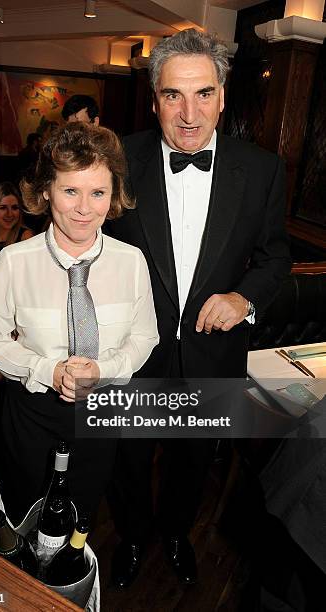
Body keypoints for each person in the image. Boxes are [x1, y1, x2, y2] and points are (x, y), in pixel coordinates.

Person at [105, 28, 292, 588]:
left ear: (223, 95)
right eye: (173, 96)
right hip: (132, 354)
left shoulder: (261, 170)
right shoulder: (118, 161)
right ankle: (134, 536)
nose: (189, 114)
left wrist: (244, 298)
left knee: (191, 462)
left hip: (213, 355)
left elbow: (275, 256)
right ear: (154, 96)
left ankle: (176, 535)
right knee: (129, 461)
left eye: (203, 94)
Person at [0, 123, 158, 523]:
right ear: (45, 191)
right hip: (30, 416)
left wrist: (104, 370)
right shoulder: (13, 262)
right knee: (26, 515)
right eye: (70, 190)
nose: (84, 208)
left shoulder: (132, 262)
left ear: (113, 198)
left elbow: (145, 337)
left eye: (98, 193)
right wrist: (47, 369)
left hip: (100, 415)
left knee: (81, 517)